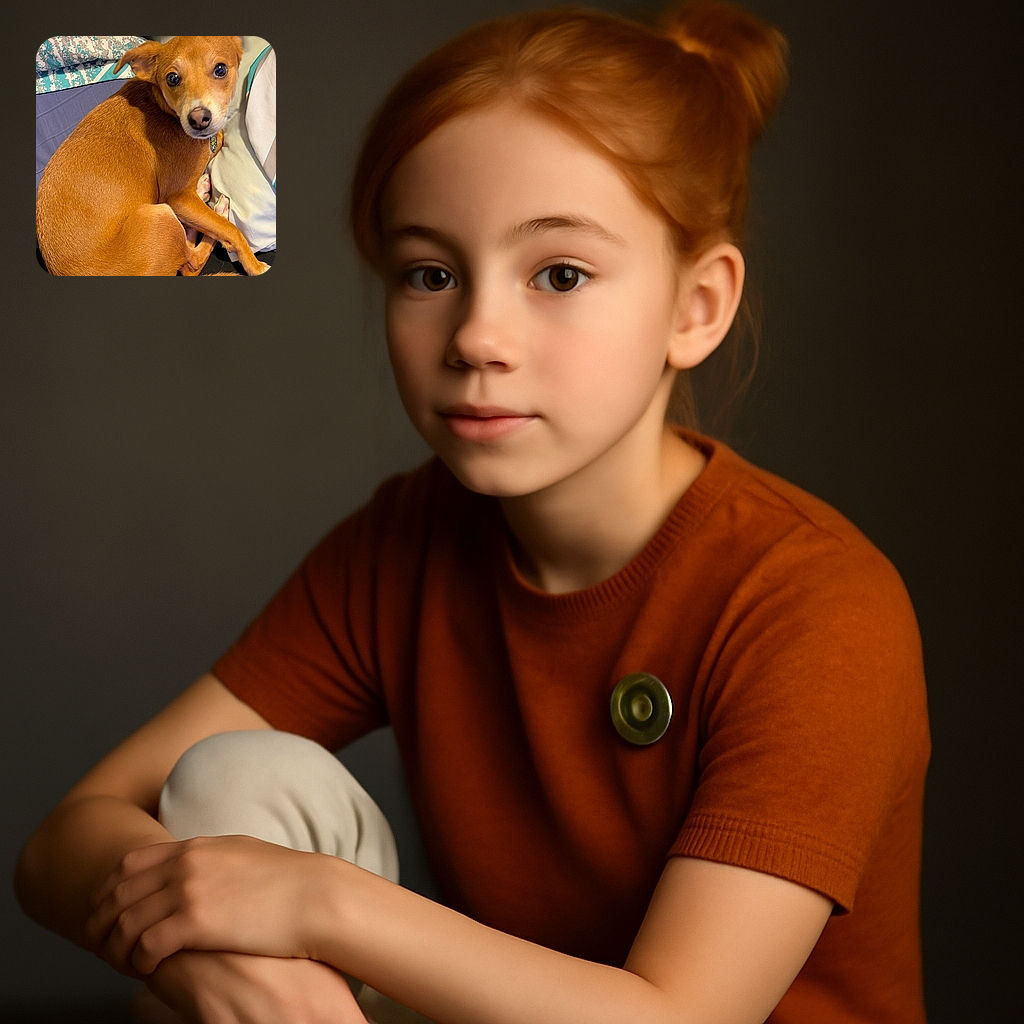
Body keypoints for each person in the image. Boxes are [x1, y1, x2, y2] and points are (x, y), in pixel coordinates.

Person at [14, 2, 930, 1022]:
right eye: (431, 274)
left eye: (560, 274)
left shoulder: (813, 604)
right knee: (224, 811)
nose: (477, 336)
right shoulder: (406, 543)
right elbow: (69, 838)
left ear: (694, 307)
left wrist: (320, 907)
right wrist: (216, 964)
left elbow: (679, 1015)